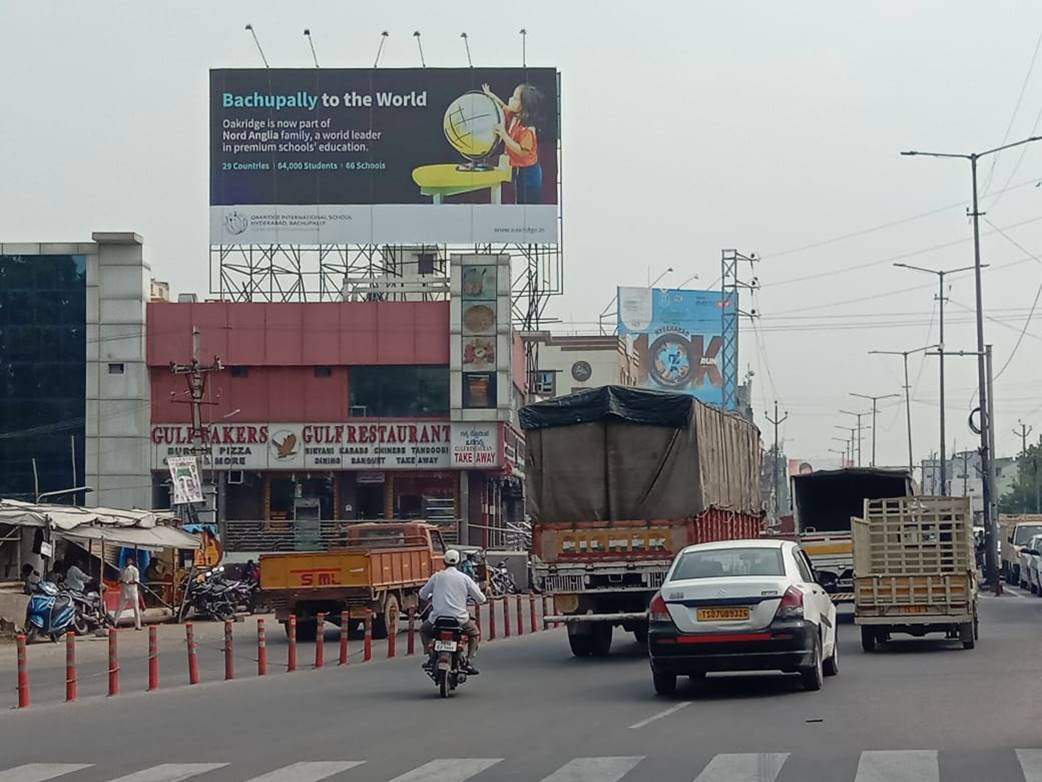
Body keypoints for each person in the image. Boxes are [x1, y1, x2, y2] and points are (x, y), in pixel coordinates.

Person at [419, 549, 486, 674]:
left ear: (444, 562)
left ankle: (430, 656)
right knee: (475, 633)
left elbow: (422, 594)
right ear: (458, 562)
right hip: (460, 619)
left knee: (423, 630)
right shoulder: (465, 578)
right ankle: (468, 661)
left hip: (437, 619)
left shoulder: (437, 577)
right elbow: (481, 598)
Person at [482, 82, 545, 204]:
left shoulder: (528, 129)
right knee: (520, 198)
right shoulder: (514, 115)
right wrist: (491, 95)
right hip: (519, 168)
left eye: (515, 98)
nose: (510, 99)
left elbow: (523, 151)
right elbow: (502, 106)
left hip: (529, 172)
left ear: (524, 106)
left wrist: (504, 135)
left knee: (529, 201)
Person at [113, 555, 143, 630]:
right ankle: (114, 623)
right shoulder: (123, 570)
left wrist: (128, 582)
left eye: (129, 560)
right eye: (127, 560)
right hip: (124, 591)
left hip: (132, 591)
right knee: (120, 608)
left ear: (131, 561)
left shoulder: (134, 570)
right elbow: (120, 579)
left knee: (136, 608)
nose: (127, 561)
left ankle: (138, 625)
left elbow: (136, 581)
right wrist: (120, 581)